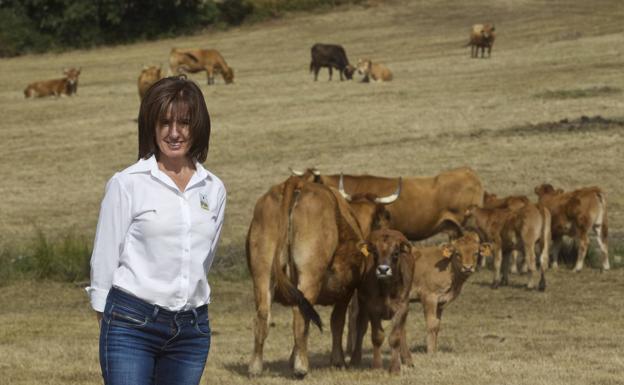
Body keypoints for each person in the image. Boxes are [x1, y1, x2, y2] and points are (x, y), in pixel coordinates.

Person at [86, 76, 226, 385]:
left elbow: (205, 257)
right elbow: (105, 256)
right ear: (151, 125)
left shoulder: (214, 189)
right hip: (130, 323)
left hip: (192, 331)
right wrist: (106, 318)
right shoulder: (127, 183)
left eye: (184, 123)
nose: (174, 133)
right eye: (164, 123)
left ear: (198, 126)